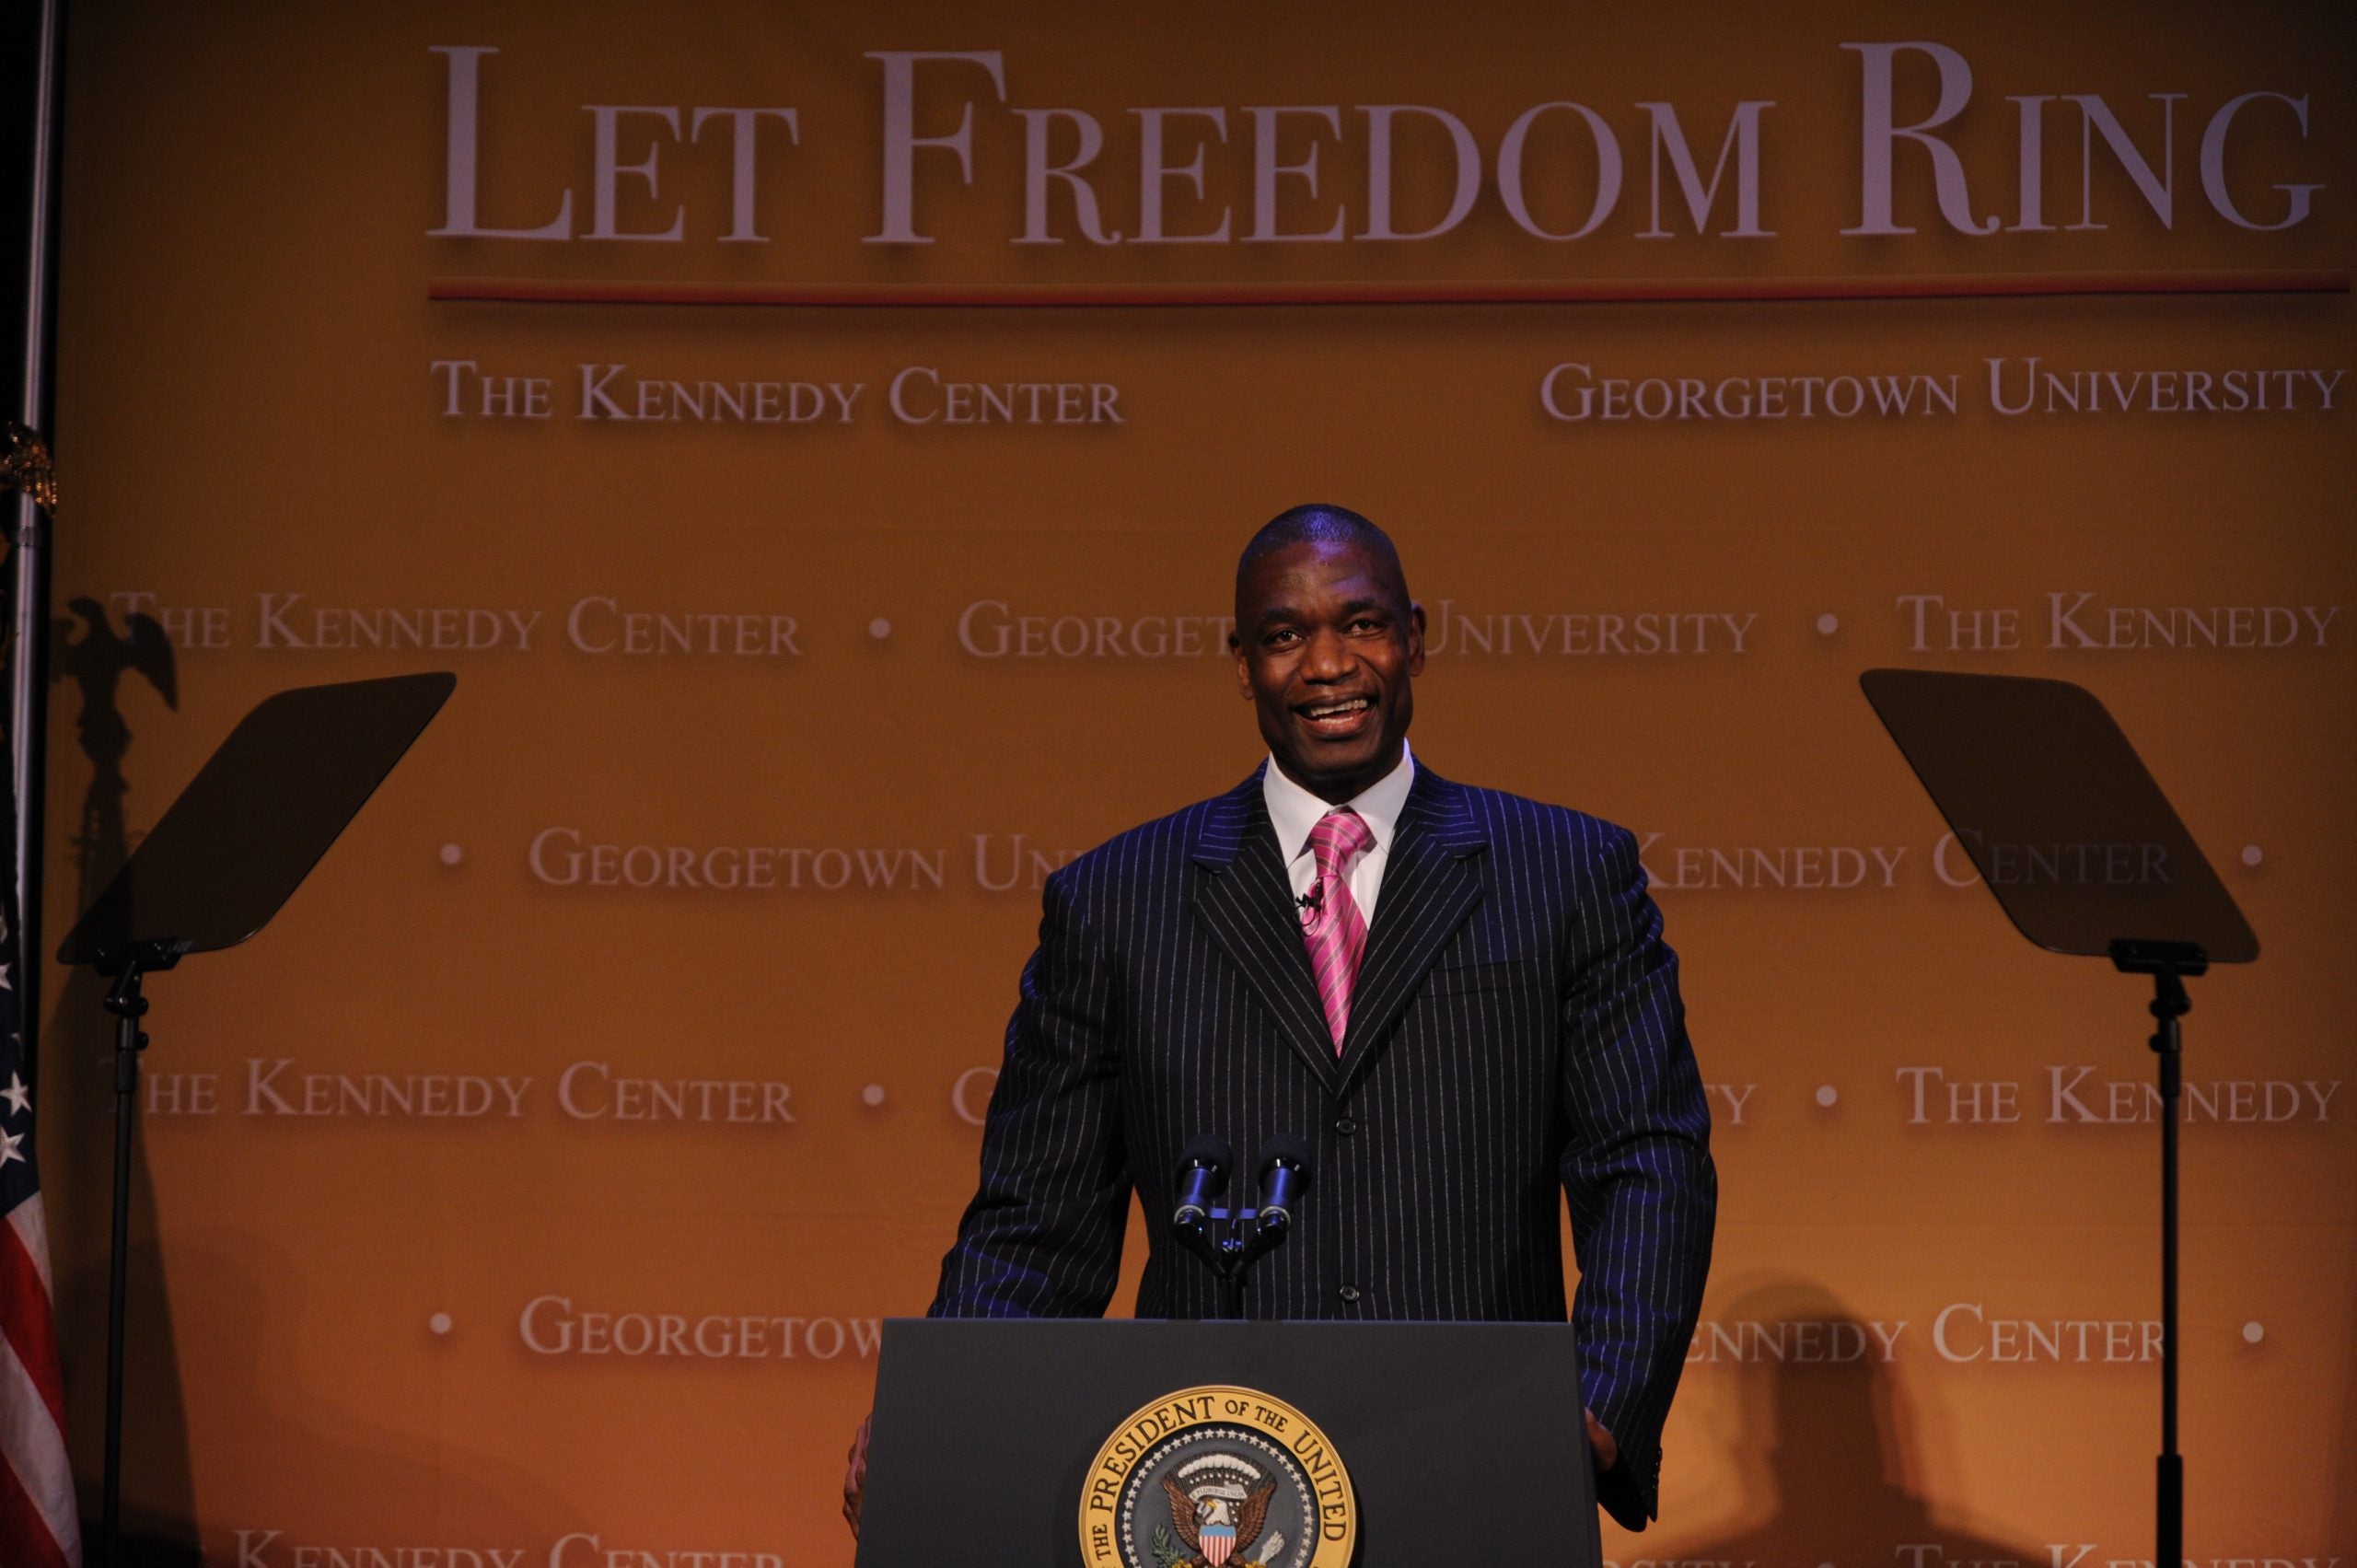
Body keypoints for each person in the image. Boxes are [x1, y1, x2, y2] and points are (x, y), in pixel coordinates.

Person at [846, 504, 1715, 1532]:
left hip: (1479, 1454)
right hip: (1214, 1475)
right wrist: (943, 1413)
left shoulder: (1562, 872)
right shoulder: (1118, 900)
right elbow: (1038, 1218)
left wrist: (1598, 1406)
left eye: (1362, 623)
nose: (1327, 664)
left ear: (1416, 639)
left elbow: (1646, 1158)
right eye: (1284, 634)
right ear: (1241, 661)